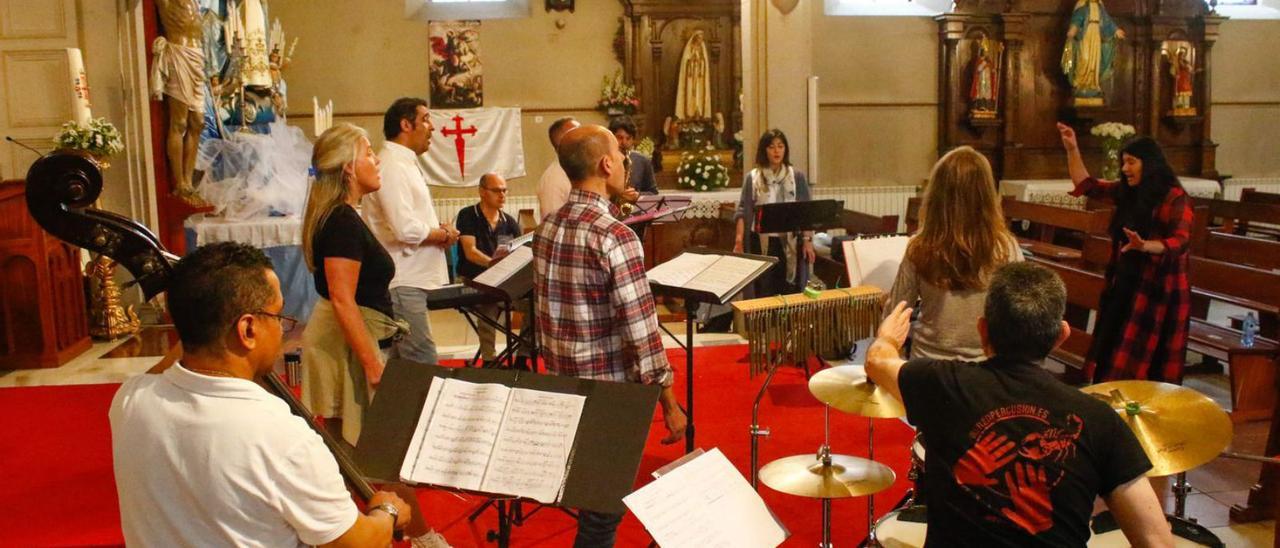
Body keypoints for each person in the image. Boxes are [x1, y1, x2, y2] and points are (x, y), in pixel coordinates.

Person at [110, 241, 412, 547]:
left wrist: (196, 313)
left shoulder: (131, 400)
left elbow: (169, 364)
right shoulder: (281, 435)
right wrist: (387, 511)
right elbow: (358, 543)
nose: (282, 330)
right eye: (278, 316)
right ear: (248, 330)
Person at [867, 263, 1173, 547]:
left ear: (983, 329)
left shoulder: (940, 384)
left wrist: (888, 337)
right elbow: (1157, 542)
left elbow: (877, 361)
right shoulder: (1100, 420)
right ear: (1061, 336)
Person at [533, 125, 687, 547]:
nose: (624, 162)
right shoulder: (615, 235)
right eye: (620, 156)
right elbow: (642, 329)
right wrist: (669, 403)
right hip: (611, 394)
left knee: (588, 497)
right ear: (605, 164)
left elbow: (546, 315)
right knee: (602, 514)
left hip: (564, 385)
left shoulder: (547, 227)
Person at [1057, 123, 1192, 383]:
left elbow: (1180, 241)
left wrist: (1146, 246)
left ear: (1149, 164)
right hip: (1127, 281)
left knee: (1152, 361)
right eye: (1123, 162)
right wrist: (1072, 149)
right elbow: (1087, 185)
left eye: (1131, 162)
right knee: (1113, 350)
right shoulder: (1128, 192)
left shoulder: (1175, 198)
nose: (1124, 169)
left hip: (1160, 291)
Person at [299, 123, 402, 447]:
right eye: (369, 153)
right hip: (345, 344)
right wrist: (372, 364)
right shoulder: (341, 220)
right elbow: (343, 299)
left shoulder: (342, 215)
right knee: (358, 448)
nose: (377, 160)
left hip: (348, 337)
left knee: (355, 447)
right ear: (348, 167)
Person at [885, 146, 1024, 361]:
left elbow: (896, 312)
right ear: (987, 194)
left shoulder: (920, 245)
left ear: (937, 194)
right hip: (985, 368)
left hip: (928, 366)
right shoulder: (1007, 247)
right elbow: (1018, 313)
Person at [363, 97, 459, 367]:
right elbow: (404, 228)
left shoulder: (404, 162)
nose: (432, 127)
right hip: (402, 279)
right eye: (426, 119)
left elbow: (408, 220)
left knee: (402, 362)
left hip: (410, 277)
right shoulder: (392, 165)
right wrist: (443, 235)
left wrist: (438, 229)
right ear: (406, 124)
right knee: (422, 362)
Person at [455, 172, 528, 368]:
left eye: (504, 190)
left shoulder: (510, 222)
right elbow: (470, 252)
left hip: (504, 282)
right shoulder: (467, 215)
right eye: (496, 190)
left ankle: (523, 356)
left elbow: (519, 253)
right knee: (487, 302)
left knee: (533, 306)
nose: (502, 195)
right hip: (474, 280)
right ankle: (489, 360)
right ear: (482, 192)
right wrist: (495, 266)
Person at [732, 129, 816, 296]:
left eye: (780, 146)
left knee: (788, 288)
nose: (776, 151)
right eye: (771, 147)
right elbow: (743, 211)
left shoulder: (796, 176)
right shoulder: (753, 177)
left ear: (785, 149)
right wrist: (739, 241)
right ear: (764, 150)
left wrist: (807, 240)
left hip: (790, 242)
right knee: (763, 288)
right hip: (761, 241)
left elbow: (806, 211)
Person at [151, 0, 207, 203]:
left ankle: (189, 180)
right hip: (179, 53)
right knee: (180, 122)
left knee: (198, 121)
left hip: (197, 55)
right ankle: (180, 182)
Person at [1061, 0, 1125, 103]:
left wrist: (1116, 30)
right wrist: (1073, 28)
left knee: (1094, 61)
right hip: (1085, 36)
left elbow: (1107, 21)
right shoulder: (1083, 6)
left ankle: (1093, 84)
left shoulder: (1099, 7)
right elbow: (1077, 18)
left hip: (1096, 36)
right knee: (1084, 58)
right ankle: (1080, 84)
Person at [537, 116, 580, 220]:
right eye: (578, 134)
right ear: (562, 142)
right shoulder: (553, 179)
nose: (585, 138)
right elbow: (551, 224)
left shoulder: (579, 169)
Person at [608, 116, 658, 196]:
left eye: (628, 138)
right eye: (620, 137)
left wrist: (637, 195)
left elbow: (653, 193)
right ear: (611, 137)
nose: (624, 142)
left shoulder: (643, 161)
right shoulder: (603, 159)